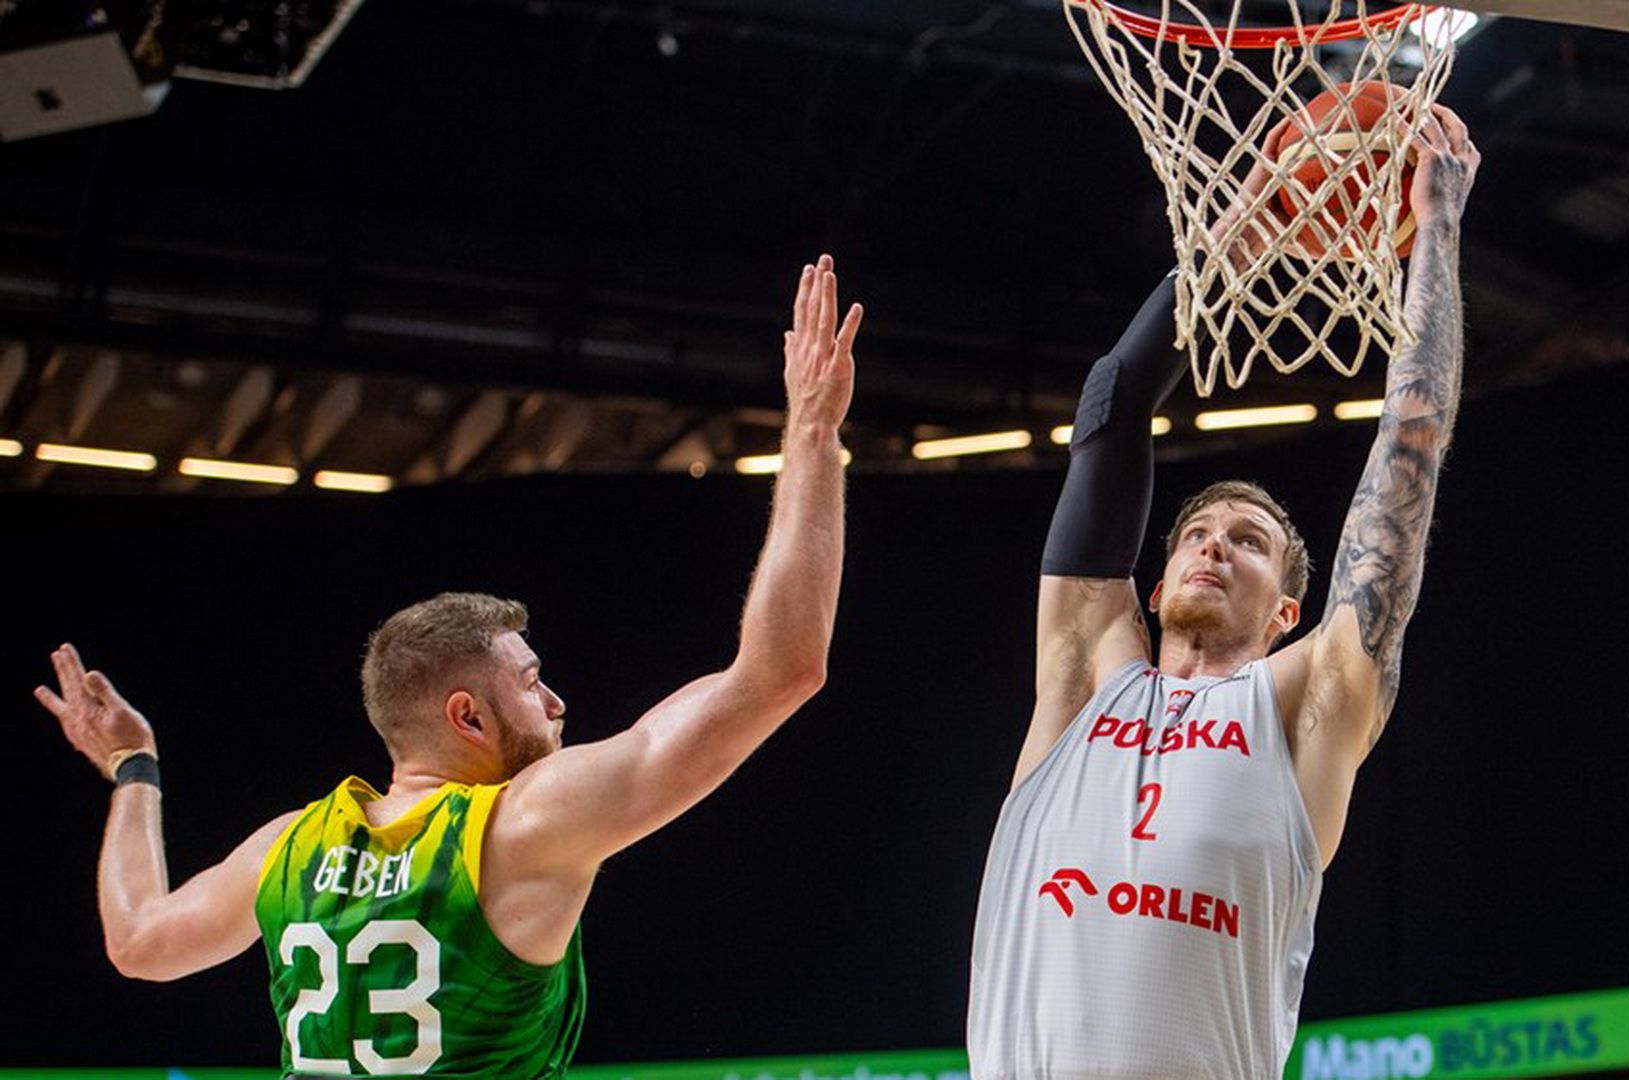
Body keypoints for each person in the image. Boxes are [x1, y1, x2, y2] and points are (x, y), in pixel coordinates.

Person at [35, 254, 862, 1077]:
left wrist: (133, 766)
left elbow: (138, 940)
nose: (558, 702)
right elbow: (782, 670)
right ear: (466, 714)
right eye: (531, 683)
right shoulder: (521, 825)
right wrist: (812, 433)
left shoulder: (287, 849)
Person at [967, 106, 1481, 1079]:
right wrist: (1230, 244)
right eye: (1199, 534)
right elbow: (1113, 405)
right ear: (1157, 586)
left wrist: (1439, 228)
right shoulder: (1082, 680)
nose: (1216, 545)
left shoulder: (1304, 705)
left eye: (1250, 543)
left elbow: (1412, 436)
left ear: (1288, 613)